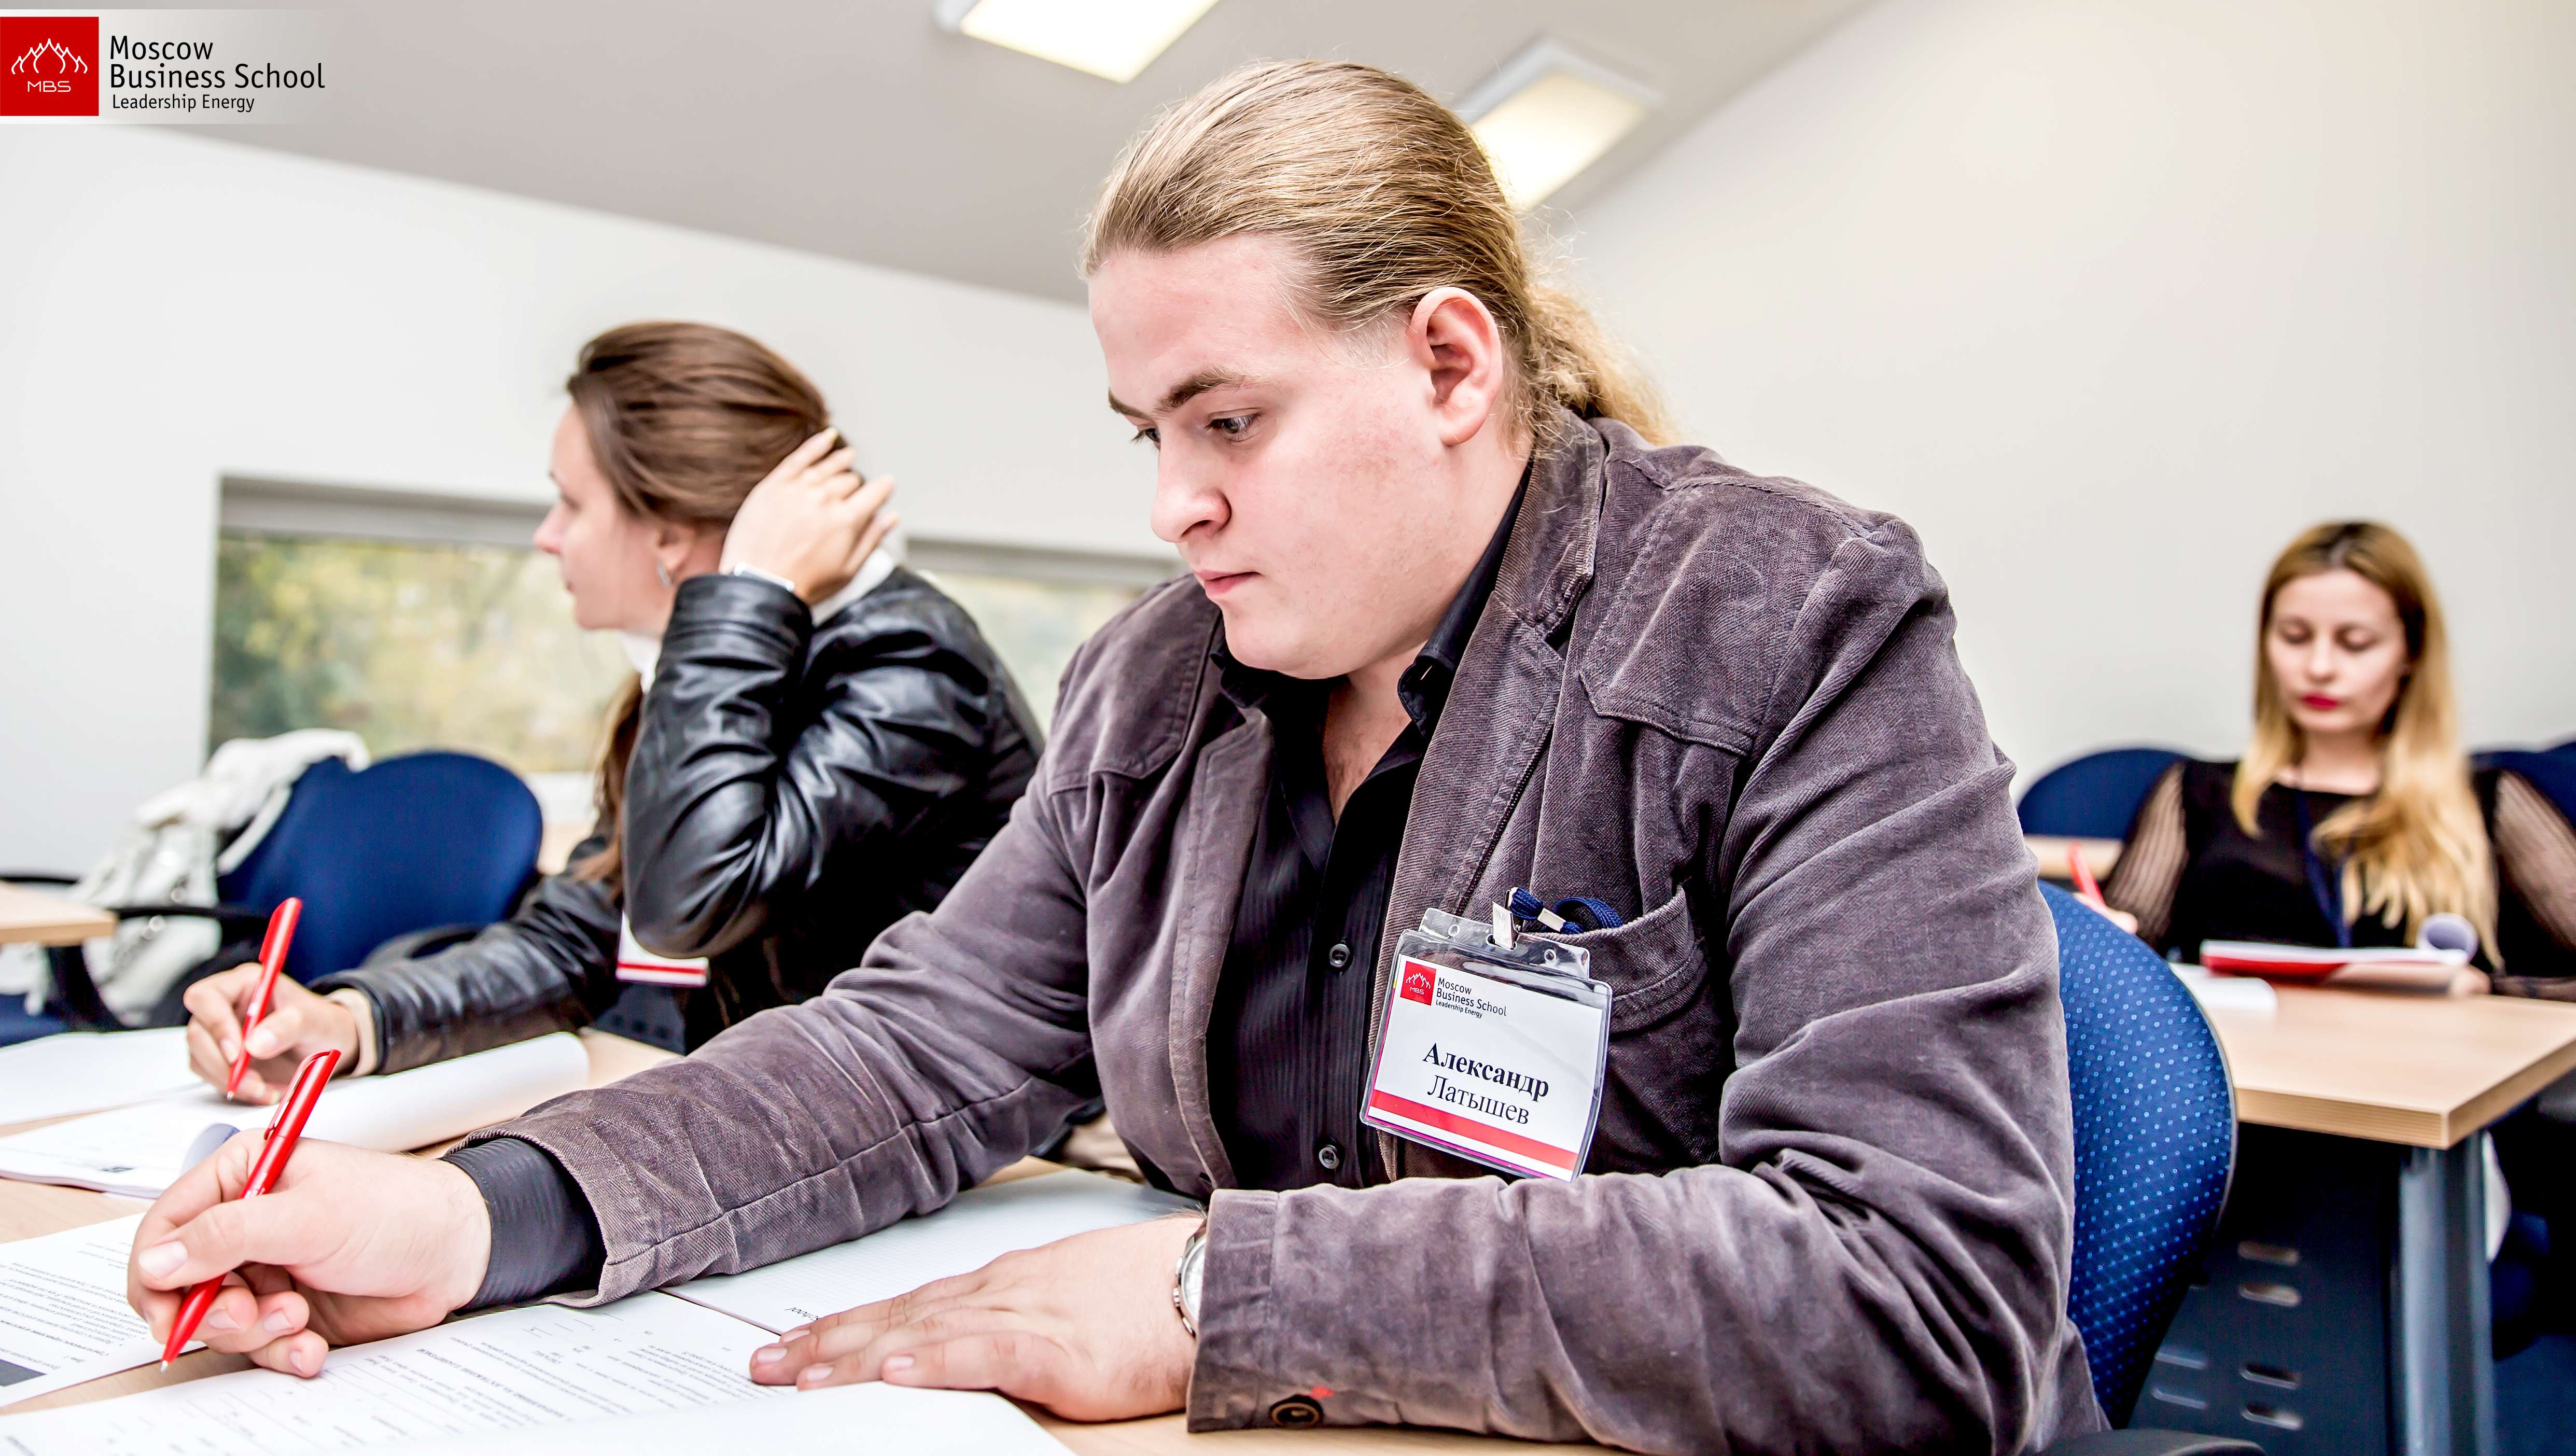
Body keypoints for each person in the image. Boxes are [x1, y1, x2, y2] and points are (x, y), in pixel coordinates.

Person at [128, 64, 2097, 1452]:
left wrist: (1212, 1294)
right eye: (1145, 431)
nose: (1172, 503)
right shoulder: (1161, 679)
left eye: (1226, 422)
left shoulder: (1788, 619)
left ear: (1448, 362)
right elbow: (914, 1045)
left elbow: (1913, 1284)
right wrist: (479, 1216)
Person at [179, 321, 1042, 1094]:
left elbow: (686, 906)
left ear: (669, 532)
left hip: (968, 1143)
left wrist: (741, 599)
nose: (546, 535)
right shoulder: (714, 666)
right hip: (790, 1108)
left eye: (572, 501)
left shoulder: (909, 665)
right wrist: (350, 1020)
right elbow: (579, 934)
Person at [2100, 521, 2576, 988]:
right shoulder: (2197, 792)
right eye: (2294, 637)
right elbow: (2117, 960)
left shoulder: (2490, 802)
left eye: (2355, 643)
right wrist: (2096, 937)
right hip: (2242, 1042)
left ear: (2411, 653)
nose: (2319, 667)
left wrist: (2485, 989)